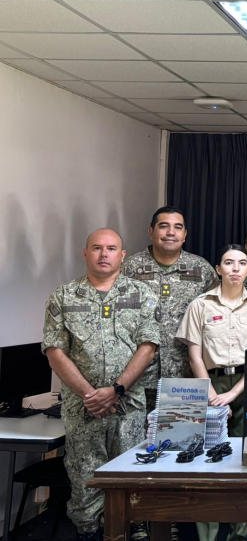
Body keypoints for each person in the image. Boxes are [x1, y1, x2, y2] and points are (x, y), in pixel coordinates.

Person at [42, 229, 159, 541]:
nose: (103, 254)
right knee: (85, 477)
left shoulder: (142, 295)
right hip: (83, 408)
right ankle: (88, 530)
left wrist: (116, 389)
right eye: (97, 248)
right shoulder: (63, 296)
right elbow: (55, 351)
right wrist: (89, 394)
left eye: (111, 249)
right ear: (85, 253)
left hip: (128, 405)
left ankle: (134, 527)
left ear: (122, 256)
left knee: (131, 472)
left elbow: (148, 347)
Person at [176, 244, 247, 541]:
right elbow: (194, 356)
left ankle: (239, 534)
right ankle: (207, 535)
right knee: (206, 463)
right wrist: (212, 396)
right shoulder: (200, 305)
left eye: (242, 263)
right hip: (209, 386)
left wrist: (232, 395)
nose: (235, 268)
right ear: (218, 269)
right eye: (228, 263)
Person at [123, 206, 217, 412]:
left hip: (186, 376)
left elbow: (218, 317)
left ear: (184, 235)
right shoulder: (130, 269)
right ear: (151, 232)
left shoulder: (201, 270)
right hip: (137, 377)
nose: (170, 232)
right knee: (138, 441)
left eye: (177, 227)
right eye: (164, 226)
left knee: (181, 439)